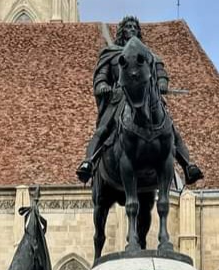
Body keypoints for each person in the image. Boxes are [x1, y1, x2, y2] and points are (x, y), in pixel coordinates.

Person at [76, 15, 202, 185]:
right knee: (103, 129)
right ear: (122, 32)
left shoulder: (148, 55)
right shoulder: (111, 54)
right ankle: (88, 162)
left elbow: (160, 71)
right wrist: (102, 87)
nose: (132, 30)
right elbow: (101, 78)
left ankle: (188, 165)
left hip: (147, 98)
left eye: (135, 27)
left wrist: (163, 83)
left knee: (170, 128)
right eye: (128, 27)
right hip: (119, 99)